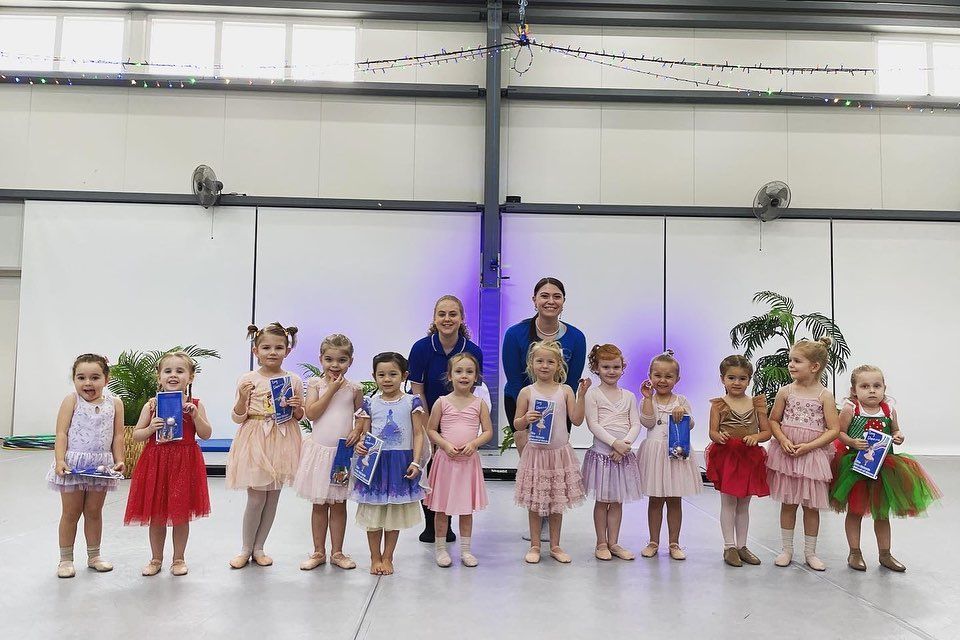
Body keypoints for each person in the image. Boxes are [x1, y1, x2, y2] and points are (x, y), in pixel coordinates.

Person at [830, 365, 941, 572]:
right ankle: (854, 552)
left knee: (882, 513)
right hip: (858, 467)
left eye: (876, 386)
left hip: (884, 468)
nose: (871, 390)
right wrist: (853, 442)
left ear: (884, 388)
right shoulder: (851, 408)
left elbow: (896, 431)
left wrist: (899, 436)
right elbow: (839, 433)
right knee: (855, 511)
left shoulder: (888, 410)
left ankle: (885, 554)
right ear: (854, 390)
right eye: (865, 386)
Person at [502, 277, 586, 540]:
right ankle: (536, 518)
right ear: (534, 300)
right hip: (523, 402)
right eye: (544, 296)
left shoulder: (576, 337)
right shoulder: (515, 334)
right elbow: (514, 379)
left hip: (559, 405)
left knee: (554, 462)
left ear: (563, 302)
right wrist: (527, 417)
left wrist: (561, 404)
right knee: (533, 465)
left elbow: (571, 380)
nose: (550, 301)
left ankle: (552, 519)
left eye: (556, 296)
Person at [124, 351, 212, 576]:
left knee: (181, 514)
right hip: (157, 464)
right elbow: (136, 435)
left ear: (190, 377)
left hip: (184, 464)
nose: (174, 375)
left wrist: (195, 417)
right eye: (168, 371)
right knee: (157, 514)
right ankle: (155, 558)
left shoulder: (195, 405)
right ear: (159, 377)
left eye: (180, 371)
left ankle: (179, 558)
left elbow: (206, 434)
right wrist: (151, 428)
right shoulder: (151, 405)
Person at [227, 323, 305, 569]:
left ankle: (260, 547)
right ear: (255, 351)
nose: (273, 352)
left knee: (273, 497)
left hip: (282, 439)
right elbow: (238, 416)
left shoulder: (293, 379)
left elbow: (300, 415)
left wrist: (296, 406)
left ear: (287, 351)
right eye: (267, 347)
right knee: (256, 497)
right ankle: (245, 548)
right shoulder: (248, 379)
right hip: (255, 437)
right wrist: (242, 397)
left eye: (279, 347)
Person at [408, 294, 482, 543]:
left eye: (453, 314)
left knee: (454, 471)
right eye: (442, 314)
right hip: (428, 414)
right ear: (434, 318)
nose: (447, 319)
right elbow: (417, 390)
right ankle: (432, 526)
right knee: (429, 470)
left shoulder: (473, 351)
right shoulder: (420, 348)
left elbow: (473, 391)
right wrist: (428, 428)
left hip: (458, 419)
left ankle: (449, 525)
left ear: (462, 318)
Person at [47, 354, 125, 578]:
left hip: (100, 466)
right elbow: (61, 433)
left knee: (94, 512)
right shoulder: (71, 400)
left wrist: (119, 459)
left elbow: (118, 436)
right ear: (74, 379)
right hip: (73, 464)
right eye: (81, 377)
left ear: (106, 379)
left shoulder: (115, 403)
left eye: (94, 377)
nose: (88, 383)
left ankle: (94, 556)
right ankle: (65, 559)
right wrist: (61, 460)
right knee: (71, 513)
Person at [765, 338, 840, 571]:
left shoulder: (824, 395)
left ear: (814, 366)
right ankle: (786, 549)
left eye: (797, 361)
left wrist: (810, 446)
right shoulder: (786, 391)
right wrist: (784, 439)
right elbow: (774, 420)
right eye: (791, 360)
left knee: (811, 506)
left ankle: (811, 552)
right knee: (788, 503)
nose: (791, 365)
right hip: (787, 454)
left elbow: (834, 429)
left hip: (811, 455)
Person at [352, 352, 428, 575]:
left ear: (404, 375)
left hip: (399, 462)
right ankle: (375, 557)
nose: (387, 379)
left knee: (393, 514)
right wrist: (359, 446)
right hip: (375, 465)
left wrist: (416, 461)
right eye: (381, 374)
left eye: (393, 374)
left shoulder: (411, 402)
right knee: (373, 514)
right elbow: (363, 435)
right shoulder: (369, 403)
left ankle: (388, 557)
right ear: (374, 376)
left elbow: (418, 433)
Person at [293, 334, 364, 571]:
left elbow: (362, 416)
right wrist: (331, 390)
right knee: (319, 504)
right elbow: (311, 413)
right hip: (319, 453)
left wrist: (359, 432)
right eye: (329, 359)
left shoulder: (355, 388)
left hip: (341, 454)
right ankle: (318, 551)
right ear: (321, 359)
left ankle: (338, 552)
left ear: (350, 361)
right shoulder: (316, 384)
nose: (335, 365)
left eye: (342, 360)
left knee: (338, 503)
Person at [513, 340, 588, 564]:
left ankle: (555, 545)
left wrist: (581, 395)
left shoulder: (565, 391)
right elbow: (517, 423)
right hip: (535, 454)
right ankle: (535, 545)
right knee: (535, 502)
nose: (544, 366)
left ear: (559, 365)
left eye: (550, 362)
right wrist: (525, 419)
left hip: (558, 454)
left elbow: (576, 419)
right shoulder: (527, 392)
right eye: (540, 361)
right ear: (531, 364)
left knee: (556, 503)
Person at [424, 353, 492, 567]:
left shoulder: (479, 403)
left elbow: (488, 431)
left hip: (468, 463)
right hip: (446, 462)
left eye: (469, 372)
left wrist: (474, 444)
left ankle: (465, 550)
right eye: (459, 371)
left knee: (465, 509)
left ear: (476, 376)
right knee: (441, 509)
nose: (464, 376)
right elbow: (431, 430)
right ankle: (441, 549)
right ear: (450, 376)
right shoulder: (441, 402)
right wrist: (444, 445)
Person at [705, 355, 772, 567]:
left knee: (744, 504)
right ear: (722, 379)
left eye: (742, 378)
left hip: (749, 456)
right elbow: (712, 432)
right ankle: (729, 546)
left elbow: (767, 432)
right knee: (728, 502)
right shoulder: (719, 404)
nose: (736, 382)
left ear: (749, 380)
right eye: (731, 378)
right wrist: (719, 437)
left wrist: (756, 437)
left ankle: (742, 546)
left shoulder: (756, 403)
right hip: (727, 456)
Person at [581, 344, 643, 561]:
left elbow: (635, 424)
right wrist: (614, 443)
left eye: (616, 366)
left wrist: (625, 444)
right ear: (596, 368)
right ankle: (601, 543)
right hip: (602, 455)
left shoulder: (628, 396)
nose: (611, 371)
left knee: (617, 501)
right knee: (603, 500)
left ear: (623, 368)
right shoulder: (593, 394)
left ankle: (614, 542)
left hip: (622, 456)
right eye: (606, 366)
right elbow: (593, 424)